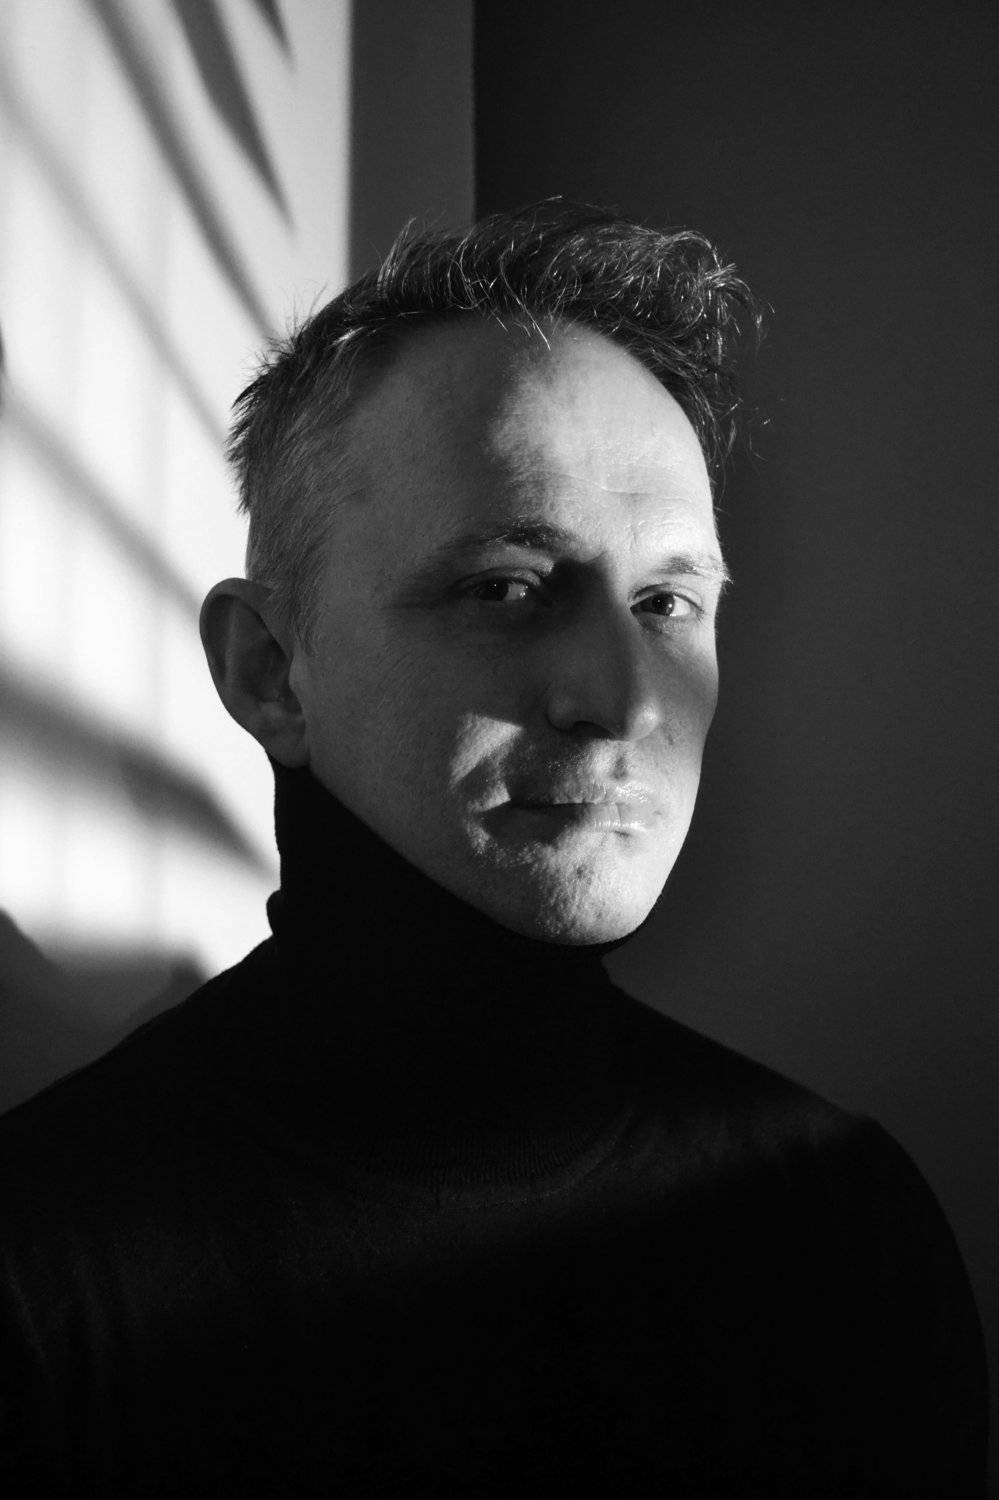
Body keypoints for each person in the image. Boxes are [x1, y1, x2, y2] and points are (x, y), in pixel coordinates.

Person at [0, 204, 987, 1497]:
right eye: (508, 588)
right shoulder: (45, 1268)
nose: (623, 702)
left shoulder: (844, 1226)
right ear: (269, 671)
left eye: (667, 603)